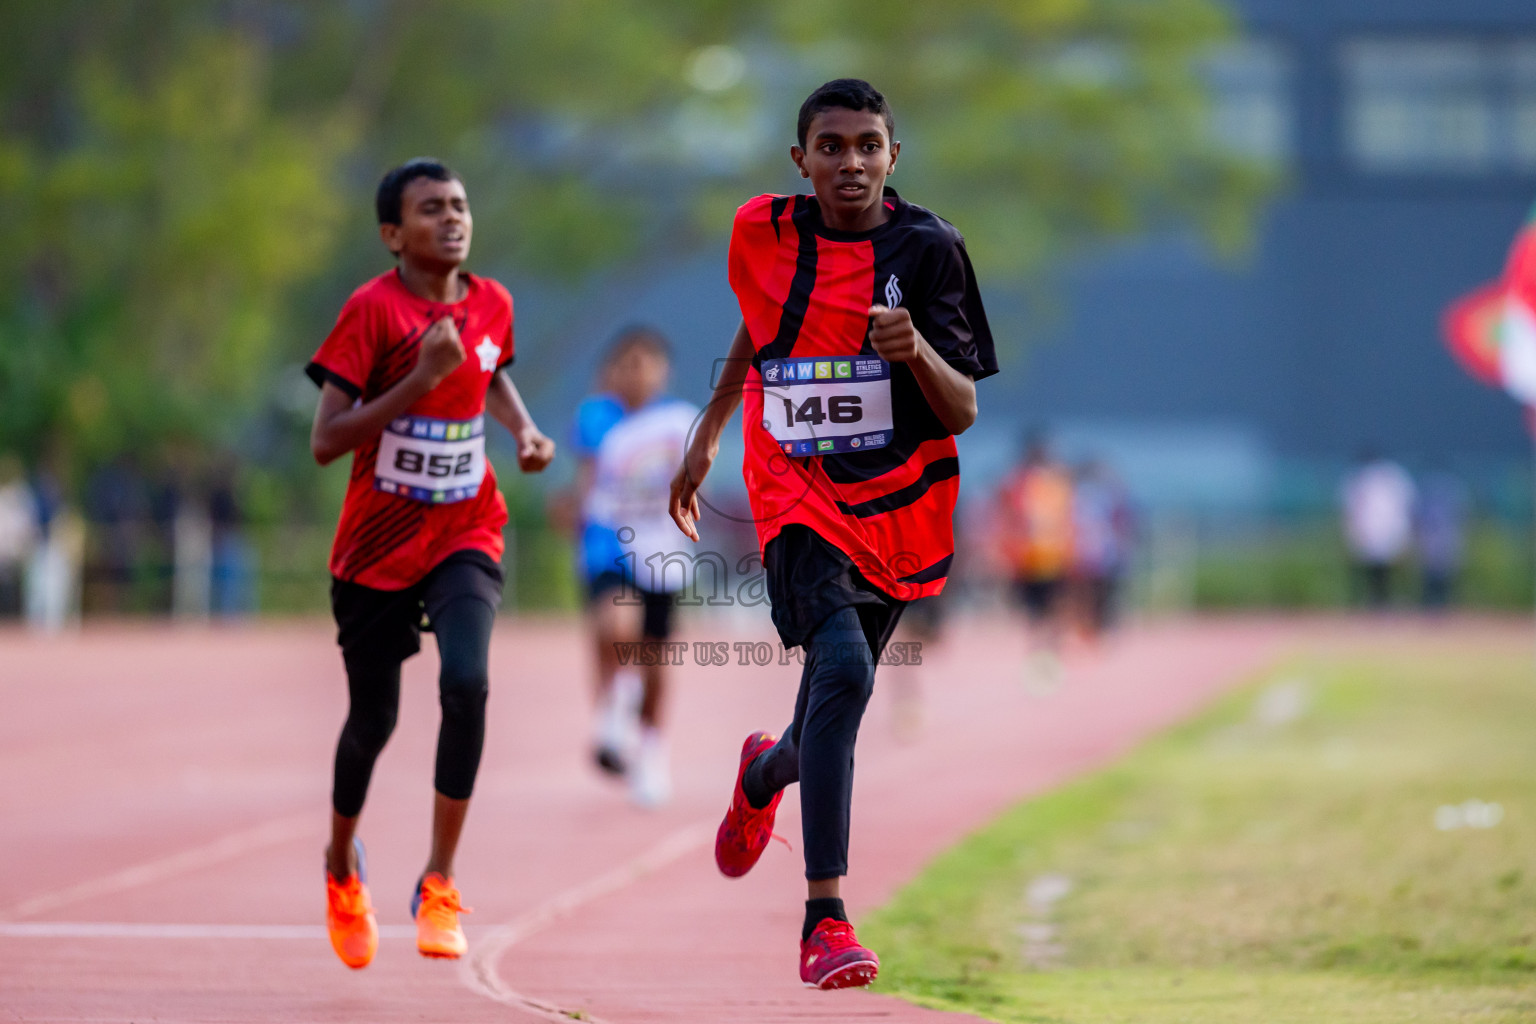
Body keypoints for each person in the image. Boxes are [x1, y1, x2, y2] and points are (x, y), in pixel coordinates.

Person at [670, 79, 996, 990]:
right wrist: (709, 431)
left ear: (894, 156)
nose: (849, 162)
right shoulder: (761, 233)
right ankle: (825, 918)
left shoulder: (931, 251)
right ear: (799, 158)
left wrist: (914, 351)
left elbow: (963, 408)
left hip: (900, 500)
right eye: (831, 145)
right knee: (846, 674)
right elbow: (762, 319)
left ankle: (767, 774)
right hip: (795, 484)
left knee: (830, 703)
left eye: (867, 145)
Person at [306, 158, 555, 970]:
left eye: (459, 205)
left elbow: (490, 370)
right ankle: (343, 865)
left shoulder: (493, 302)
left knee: (468, 683)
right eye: (430, 210)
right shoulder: (371, 313)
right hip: (376, 547)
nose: (452, 219)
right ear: (392, 235)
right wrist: (418, 380)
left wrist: (520, 431)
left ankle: (439, 880)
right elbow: (327, 440)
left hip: (465, 530)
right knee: (373, 722)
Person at [585, 330, 699, 806]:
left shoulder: (679, 422)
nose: (636, 373)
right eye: (627, 364)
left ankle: (651, 749)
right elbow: (590, 483)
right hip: (610, 545)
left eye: (645, 363)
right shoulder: (599, 422)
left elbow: (700, 469)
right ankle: (619, 700)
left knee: (656, 657)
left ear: (663, 370)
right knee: (616, 624)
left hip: (665, 551)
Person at [996, 433, 1075, 683]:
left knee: (1052, 608)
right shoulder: (1017, 483)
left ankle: (1050, 654)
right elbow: (1009, 518)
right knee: (1034, 610)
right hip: (1028, 558)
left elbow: (1066, 519)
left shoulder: (1056, 481)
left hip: (1052, 556)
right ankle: (1039, 653)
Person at [1339, 450, 1414, 609]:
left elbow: (1351, 508)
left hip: (1375, 529)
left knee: (1376, 570)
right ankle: (1379, 602)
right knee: (1380, 570)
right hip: (1384, 529)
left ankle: (1377, 602)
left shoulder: (1360, 477)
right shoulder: (1393, 475)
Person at [1070, 458, 1133, 639]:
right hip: (1090, 556)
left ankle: (1094, 629)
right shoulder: (1096, 496)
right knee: (1094, 596)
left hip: (1096, 556)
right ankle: (1089, 629)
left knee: (1095, 596)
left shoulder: (1085, 496)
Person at [1415, 467, 1469, 610]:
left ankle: (1436, 605)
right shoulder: (1453, 487)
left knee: (1435, 574)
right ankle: (1438, 605)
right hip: (1442, 535)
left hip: (1437, 535)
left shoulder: (1427, 487)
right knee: (1437, 573)